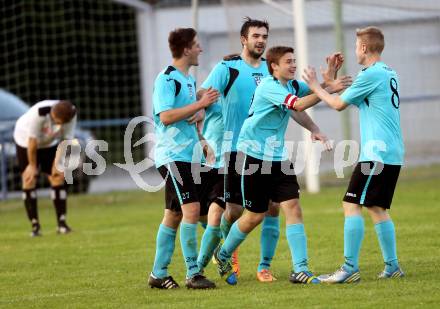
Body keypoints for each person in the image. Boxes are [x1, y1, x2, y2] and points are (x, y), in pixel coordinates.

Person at [213, 46, 350, 284]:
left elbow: (309, 96)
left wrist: (329, 74)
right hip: (253, 157)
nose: (293, 65)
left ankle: (300, 269)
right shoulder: (268, 86)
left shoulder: (291, 86)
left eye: (294, 61)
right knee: (254, 216)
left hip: (278, 157)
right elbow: (298, 105)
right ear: (274, 66)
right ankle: (223, 253)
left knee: (293, 206)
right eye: (288, 61)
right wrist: (325, 88)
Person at [302, 26, 405, 283]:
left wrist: (315, 85)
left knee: (351, 203)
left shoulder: (371, 75)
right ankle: (392, 266)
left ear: (363, 48)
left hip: (377, 154)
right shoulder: (386, 72)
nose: (355, 49)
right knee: (376, 207)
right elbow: (347, 97)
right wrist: (331, 76)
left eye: (356, 44)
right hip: (390, 151)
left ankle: (349, 268)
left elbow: (337, 104)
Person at [148, 27, 220, 290]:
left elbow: (187, 117)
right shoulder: (167, 79)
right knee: (191, 210)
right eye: (197, 45)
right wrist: (201, 104)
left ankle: (158, 274)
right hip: (172, 158)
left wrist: (201, 138)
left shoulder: (188, 80)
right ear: (187, 48)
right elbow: (165, 116)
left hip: (188, 156)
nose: (201, 49)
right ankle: (194, 273)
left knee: (174, 214)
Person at [13, 99, 77, 237]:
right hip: (25, 141)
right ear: (53, 114)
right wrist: (32, 165)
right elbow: (32, 142)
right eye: (57, 122)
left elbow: (65, 140)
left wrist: (57, 163)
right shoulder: (39, 113)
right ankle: (35, 226)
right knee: (29, 178)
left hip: (49, 143)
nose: (59, 126)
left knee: (57, 176)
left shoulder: (71, 113)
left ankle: (62, 224)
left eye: (62, 124)